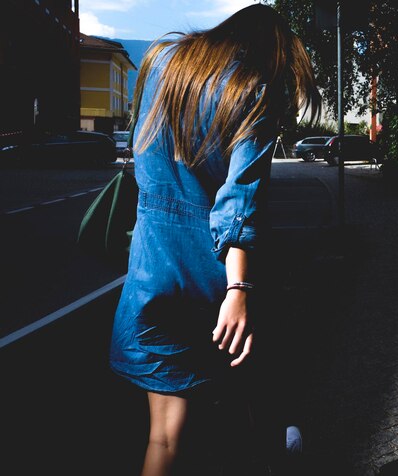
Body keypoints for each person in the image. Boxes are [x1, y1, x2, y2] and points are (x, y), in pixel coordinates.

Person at [108, 4, 321, 475]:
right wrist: (238, 291)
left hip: (152, 270)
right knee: (248, 412)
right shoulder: (254, 91)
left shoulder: (162, 62)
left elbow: (143, 156)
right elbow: (239, 204)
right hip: (214, 280)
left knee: (164, 436)